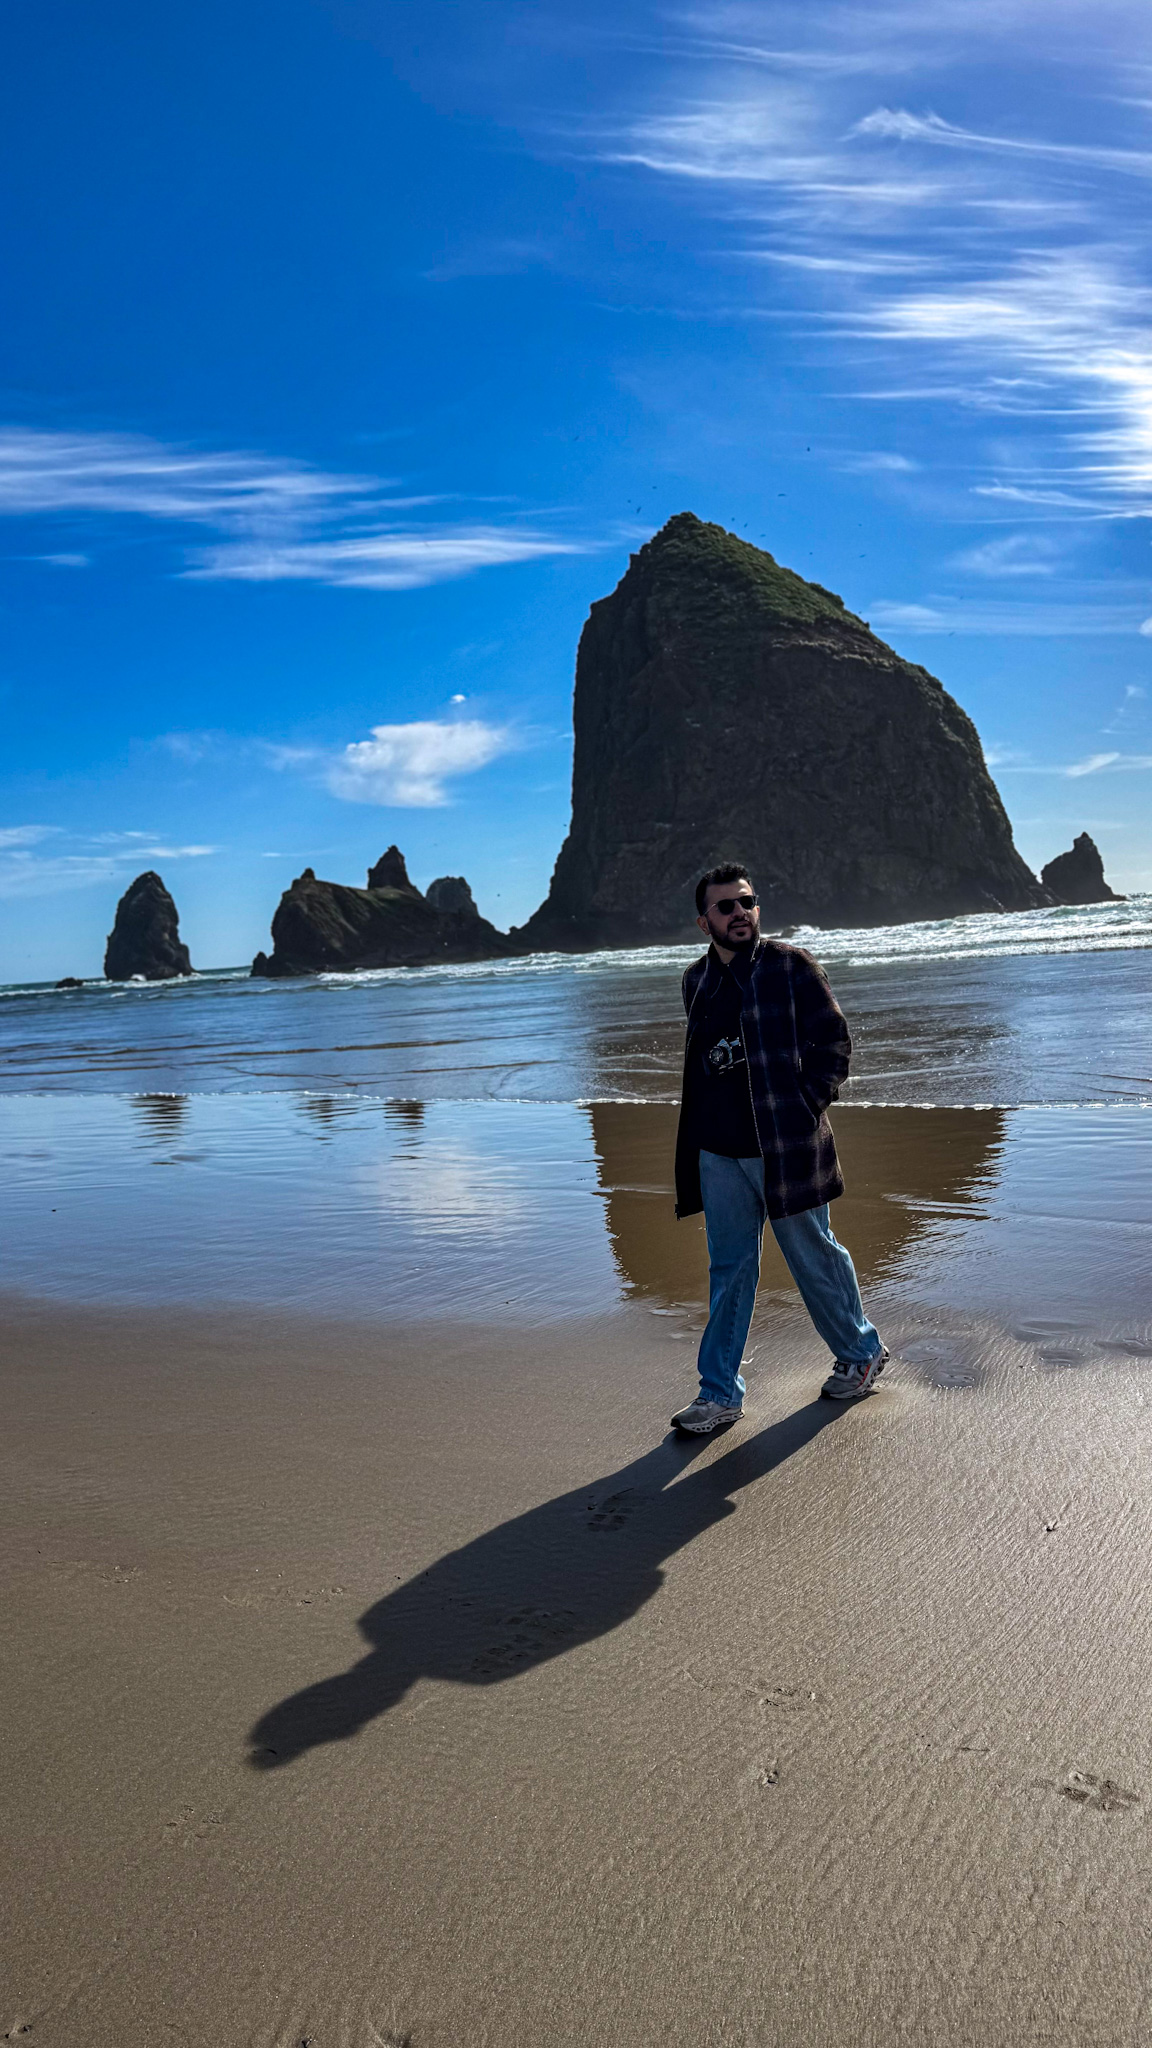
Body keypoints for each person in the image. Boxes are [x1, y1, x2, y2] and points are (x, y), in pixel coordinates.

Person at [671, 863, 887, 1435]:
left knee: (814, 1255)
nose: (740, 912)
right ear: (704, 921)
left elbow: (834, 1042)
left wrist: (806, 1105)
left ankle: (861, 1353)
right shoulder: (695, 981)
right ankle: (718, 1394)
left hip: (785, 1145)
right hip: (718, 1154)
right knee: (729, 1273)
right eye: (726, 906)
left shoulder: (791, 965)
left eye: (747, 902)